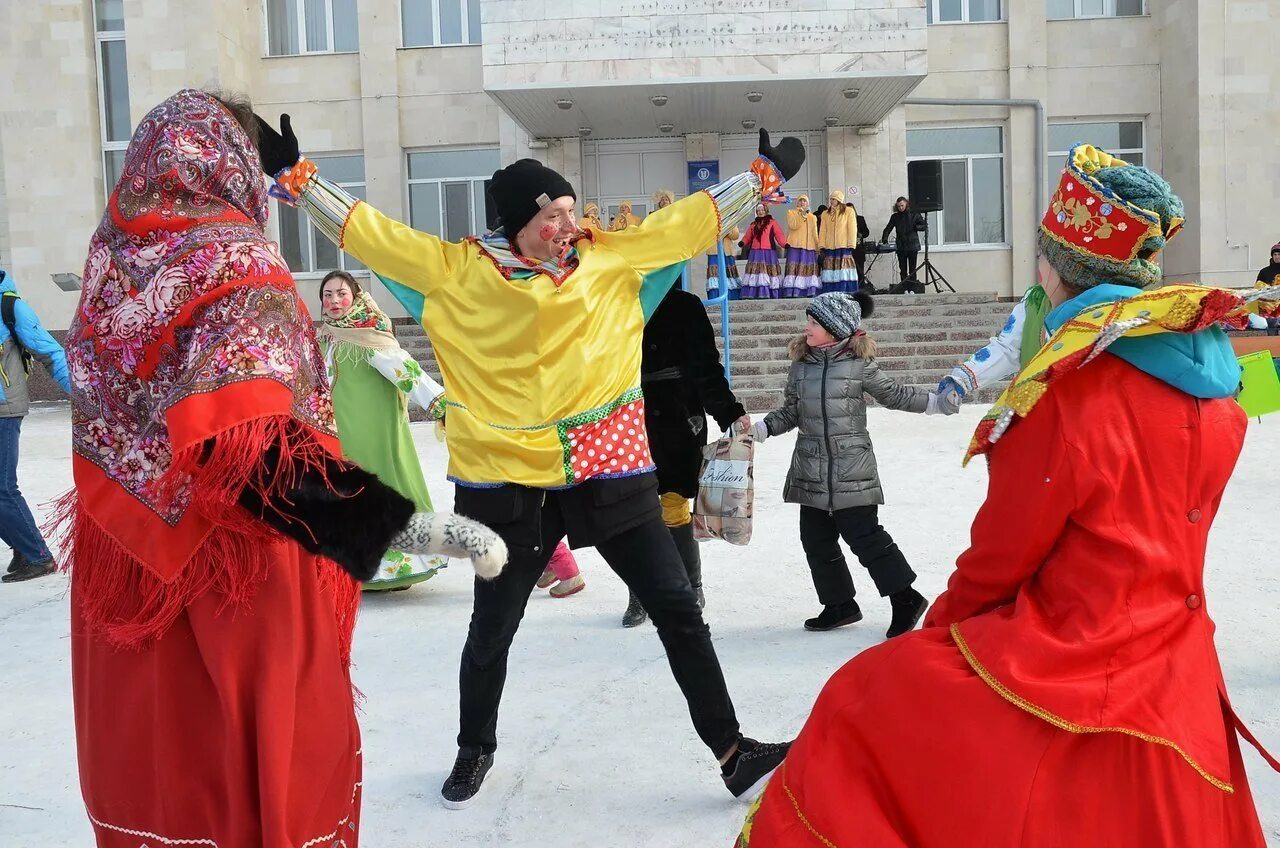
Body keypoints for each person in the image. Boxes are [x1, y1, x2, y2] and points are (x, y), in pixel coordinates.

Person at [738, 144, 1280, 848]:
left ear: (1057, 270)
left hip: (1073, 656)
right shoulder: (1215, 390)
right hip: (1180, 668)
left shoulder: (1064, 394)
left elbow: (1001, 558)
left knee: (861, 704)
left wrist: (940, 628)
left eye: (1043, 257)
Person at [258, 115, 807, 806]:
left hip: (607, 464)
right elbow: (375, 234)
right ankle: (473, 750)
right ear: (517, 223)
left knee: (676, 606)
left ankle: (731, 751)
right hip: (508, 477)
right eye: (551, 214)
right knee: (493, 626)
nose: (567, 225)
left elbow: (690, 224)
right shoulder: (458, 272)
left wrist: (761, 181)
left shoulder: (608, 258)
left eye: (571, 209)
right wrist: (301, 180)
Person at [55, 89, 506, 848]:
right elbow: (245, 454)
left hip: (126, 575)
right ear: (225, 167)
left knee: (161, 782)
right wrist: (398, 524)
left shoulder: (111, 266)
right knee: (258, 786)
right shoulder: (235, 265)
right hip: (231, 577)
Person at [749, 291, 947, 637]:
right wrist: (764, 427)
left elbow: (894, 394)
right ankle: (839, 604)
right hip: (811, 466)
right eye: (808, 322)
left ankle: (906, 597)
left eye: (813, 323)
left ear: (833, 328)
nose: (806, 329)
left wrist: (934, 403)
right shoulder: (801, 365)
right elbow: (792, 410)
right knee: (815, 539)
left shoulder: (858, 365)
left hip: (851, 466)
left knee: (865, 536)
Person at [621, 285, 752, 627]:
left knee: (673, 503)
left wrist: (729, 411)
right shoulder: (613, 299)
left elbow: (705, 367)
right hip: (625, 416)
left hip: (677, 416)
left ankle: (689, 585)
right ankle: (642, 591)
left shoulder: (684, 305)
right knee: (630, 509)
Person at [319, 270, 451, 591]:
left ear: (356, 297)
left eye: (341, 293)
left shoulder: (370, 338)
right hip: (340, 437)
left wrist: (441, 405)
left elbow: (409, 373)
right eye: (328, 295)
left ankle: (393, 573)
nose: (334, 301)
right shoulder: (325, 337)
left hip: (374, 434)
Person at [0, 267, 70, 583]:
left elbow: (51, 352)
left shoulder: (11, 306)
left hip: (4, 409)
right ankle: (21, 541)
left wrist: (82, 398)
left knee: (2, 488)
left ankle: (37, 555)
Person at [739, 204, 786, 299]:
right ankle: (755, 293)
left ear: (766, 211)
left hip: (768, 252)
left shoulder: (772, 222)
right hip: (755, 253)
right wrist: (743, 242)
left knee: (769, 273)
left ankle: (769, 293)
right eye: (758, 211)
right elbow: (748, 236)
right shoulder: (753, 225)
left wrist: (784, 244)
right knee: (756, 273)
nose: (760, 212)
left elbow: (779, 234)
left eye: (762, 210)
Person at [817, 191, 858, 293]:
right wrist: (821, 244)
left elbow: (852, 228)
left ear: (839, 200)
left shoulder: (848, 211)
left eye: (834, 199)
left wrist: (851, 243)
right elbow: (823, 230)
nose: (831, 201)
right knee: (830, 270)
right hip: (830, 246)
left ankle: (846, 289)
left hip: (844, 245)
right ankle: (830, 291)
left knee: (844, 269)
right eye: (831, 199)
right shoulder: (825, 214)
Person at [780, 195, 820, 298]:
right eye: (800, 201)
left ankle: (809, 291)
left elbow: (814, 233)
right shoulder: (791, 213)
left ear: (808, 203)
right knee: (794, 269)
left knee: (808, 270)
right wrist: (802, 215)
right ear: (797, 203)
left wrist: (817, 246)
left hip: (809, 246)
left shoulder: (812, 217)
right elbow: (793, 225)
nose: (802, 203)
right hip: (795, 245)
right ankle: (792, 292)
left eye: (805, 201)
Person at [881, 195, 925, 285]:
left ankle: (913, 286)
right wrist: (885, 239)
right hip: (901, 245)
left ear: (906, 205)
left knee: (912, 269)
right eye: (898, 206)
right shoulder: (895, 216)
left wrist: (916, 227)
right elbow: (888, 228)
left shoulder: (915, 214)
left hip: (912, 245)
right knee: (903, 269)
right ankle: (904, 286)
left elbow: (924, 226)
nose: (900, 208)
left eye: (902, 205)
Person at [706, 225, 742, 300]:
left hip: (727, 252)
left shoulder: (730, 218)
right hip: (714, 252)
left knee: (729, 273)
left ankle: (731, 297)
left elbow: (736, 236)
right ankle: (715, 297)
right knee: (714, 274)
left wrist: (727, 230)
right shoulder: (710, 218)